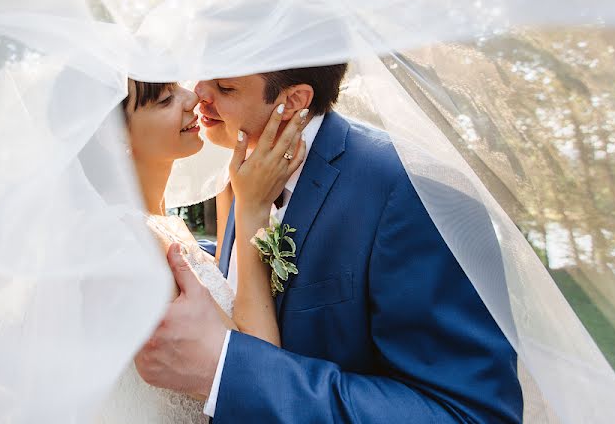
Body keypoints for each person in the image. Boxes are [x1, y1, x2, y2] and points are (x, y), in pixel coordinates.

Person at [134, 65, 525, 423]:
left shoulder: (413, 191)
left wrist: (224, 369)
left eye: (225, 87)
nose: (198, 93)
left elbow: (470, 415)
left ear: (293, 101)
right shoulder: (244, 178)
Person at [98, 78, 310, 423]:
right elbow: (258, 374)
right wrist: (251, 209)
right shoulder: (130, 240)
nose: (191, 98)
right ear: (116, 137)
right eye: (166, 100)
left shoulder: (158, 223)